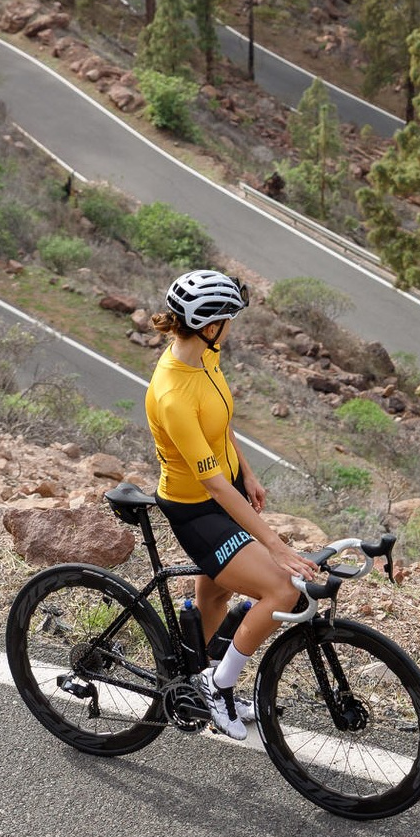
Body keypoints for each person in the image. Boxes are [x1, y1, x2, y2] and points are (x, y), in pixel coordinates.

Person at [145, 269, 317, 740]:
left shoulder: (206, 355)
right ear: (207, 325)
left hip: (225, 489)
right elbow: (214, 488)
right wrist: (276, 545)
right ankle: (218, 685)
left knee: (216, 596)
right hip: (197, 508)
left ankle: (196, 682)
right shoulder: (173, 393)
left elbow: (218, 423)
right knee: (282, 588)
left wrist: (248, 472)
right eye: (227, 319)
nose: (230, 327)